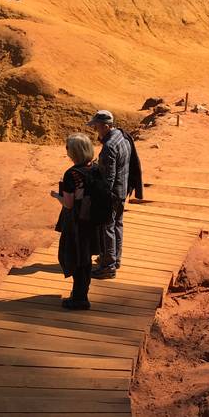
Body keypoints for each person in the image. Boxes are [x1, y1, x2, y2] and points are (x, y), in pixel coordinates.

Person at [87, 110, 143, 279]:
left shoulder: (109, 147)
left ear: (105, 126)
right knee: (117, 224)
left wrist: (100, 196)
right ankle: (115, 259)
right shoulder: (121, 135)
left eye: (96, 126)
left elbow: (109, 178)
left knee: (107, 228)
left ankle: (108, 266)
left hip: (112, 194)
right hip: (123, 188)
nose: (95, 129)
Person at [51, 133, 99, 310]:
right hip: (92, 221)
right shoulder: (95, 168)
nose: (67, 151)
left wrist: (57, 196)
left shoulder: (72, 174)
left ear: (74, 151)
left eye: (68, 148)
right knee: (85, 259)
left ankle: (80, 299)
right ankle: (81, 293)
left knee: (74, 258)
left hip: (77, 223)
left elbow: (69, 204)